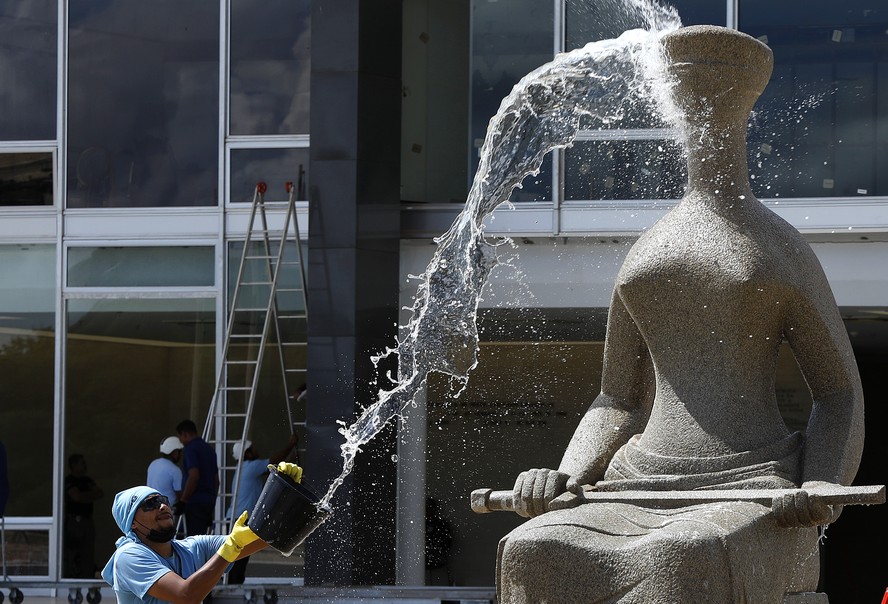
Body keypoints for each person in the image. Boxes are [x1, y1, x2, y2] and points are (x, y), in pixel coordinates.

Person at [496, 26, 865, 603]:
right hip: (634, 482)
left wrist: (821, 484)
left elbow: (839, 390)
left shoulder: (778, 248)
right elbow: (615, 398)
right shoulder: (648, 251)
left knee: (682, 556)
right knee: (530, 550)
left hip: (752, 486)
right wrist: (565, 472)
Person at [101, 462, 303, 604]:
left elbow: (263, 538)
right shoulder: (129, 556)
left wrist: (285, 494)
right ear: (132, 523)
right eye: (150, 504)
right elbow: (186, 596)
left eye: (163, 500)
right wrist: (231, 546)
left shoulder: (193, 547)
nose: (162, 506)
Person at [225, 433, 299, 584]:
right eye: (252, 448)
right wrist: (291, 445)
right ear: (247, 453)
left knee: (238, 558)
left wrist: (291, 460)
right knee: (240, 559)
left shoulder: (244, 469)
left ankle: (234, 583)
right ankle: (234, 585)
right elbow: (273, 461)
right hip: (242, 519)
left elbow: (272, 471)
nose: (256, 450)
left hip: (235, 517)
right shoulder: (250, 467)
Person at [175, 420, 219, 536]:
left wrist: (183, 500)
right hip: (208, 501)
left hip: (195, 501)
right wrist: (212, 502)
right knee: (202, 538)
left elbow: (194, 476)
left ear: (184, 434)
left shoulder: (190, 449)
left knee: (193, 541)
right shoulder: (209, 449)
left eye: (180, 437)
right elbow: (216, 480)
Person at [64, 453, 104, 578]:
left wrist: (84, 497)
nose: (85, 465)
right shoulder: (69, 481)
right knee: (72, 552)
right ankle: (70, 579)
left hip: (87, 521)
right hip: (74, 522)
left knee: (88, 552)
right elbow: (76, 497)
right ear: (74, 465)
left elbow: (99, 493)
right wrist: (87, 496)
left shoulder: (87, 480)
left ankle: (86, 578)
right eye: (82, 463)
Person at [146, 436, 184, 514]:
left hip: (150, 508)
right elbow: (180, 495)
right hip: (166, 510)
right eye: (179, 451)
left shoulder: (153, 464)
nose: (180, 455)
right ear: (174, 452)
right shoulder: (175, 470)